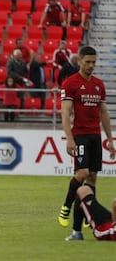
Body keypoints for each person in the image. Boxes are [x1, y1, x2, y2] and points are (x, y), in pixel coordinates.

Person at [58, 46, 115, 241]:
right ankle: (66, 205)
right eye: (88, 62)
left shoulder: (99, 85)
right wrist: (70, 138)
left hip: (94, 136)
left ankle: (79, 229)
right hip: (80, 135)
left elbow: (104, 113)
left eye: (94, 62)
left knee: (92, 179)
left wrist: (109, 138)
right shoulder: (70, 83)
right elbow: (65, 113)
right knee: (81, 174)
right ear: (80, 60)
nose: (91, 65)